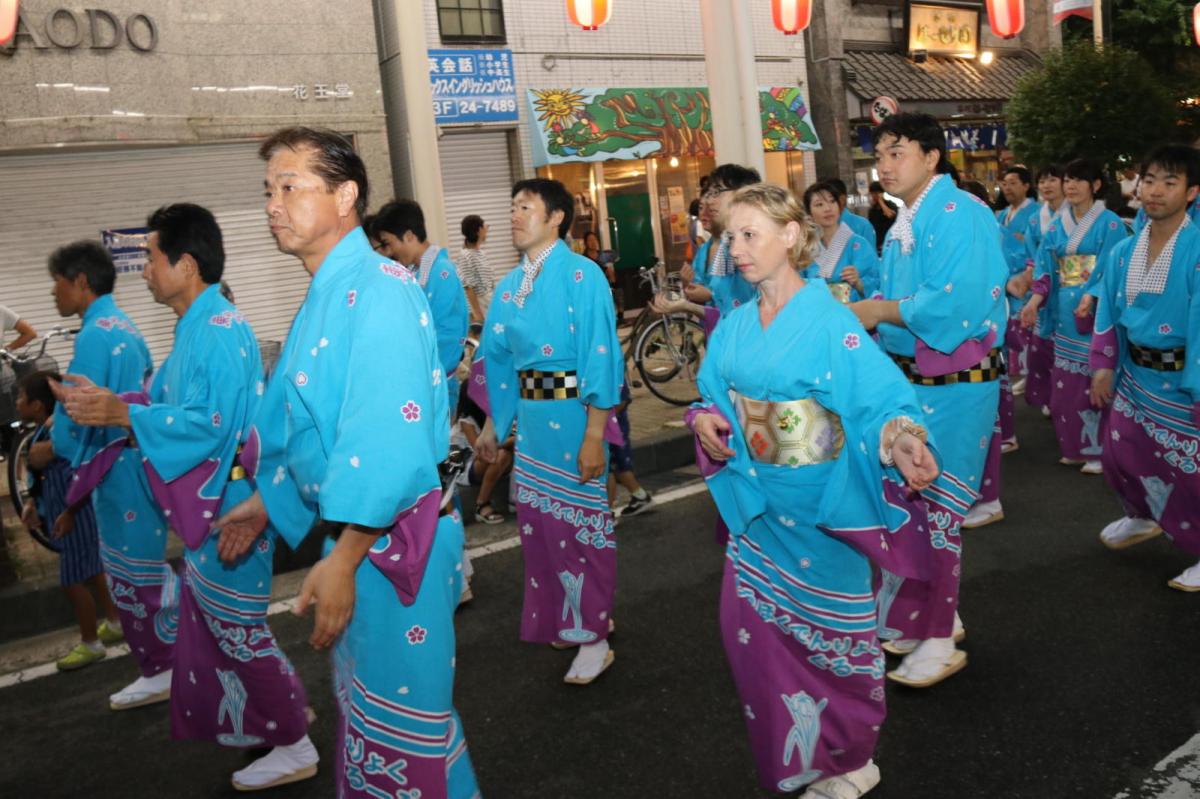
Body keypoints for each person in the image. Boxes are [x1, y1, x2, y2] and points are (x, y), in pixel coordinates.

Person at [215, 126, 479, 798]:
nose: (273, 203)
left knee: (402, 733)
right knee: (390, 729)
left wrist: (343, 555)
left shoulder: (381, 288)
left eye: (290, 186)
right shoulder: (331, 291)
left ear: (346, 196)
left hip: (387, 547)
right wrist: (268, 502)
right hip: (363, 542)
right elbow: (299, 427)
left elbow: (386, 440)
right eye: (267, 190)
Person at [687, 182, 939, 798]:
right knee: (751, 638)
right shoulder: (734, 324)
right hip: (758, 510)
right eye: (730, 237)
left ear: (791, 236)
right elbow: (710, 395)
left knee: (832, 642)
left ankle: (850, 757)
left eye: (750, 235)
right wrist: (705, 420)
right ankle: (800, 754)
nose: (737, 249)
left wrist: (901, 438)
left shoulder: (830, 320)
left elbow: (880, 400)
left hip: (823, 510)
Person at [56, 204, 317, 790]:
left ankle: (295, 740)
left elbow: (212, 424)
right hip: (219, 501)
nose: (142, 268)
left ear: (187, 264)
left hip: (234, 507)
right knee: (224, 627)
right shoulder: (198, 326)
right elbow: (175, 407)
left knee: (239, 629)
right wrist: (123, 406)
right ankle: (274, 721)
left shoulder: (219, 329)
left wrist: (124, 412)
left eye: (150, 256)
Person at [850, 112, 1007, 687]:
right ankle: (926, 619)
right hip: (915, 382)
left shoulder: (961, 213)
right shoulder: (903, 224)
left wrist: (878, 310)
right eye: (880, 154)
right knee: (911, 510)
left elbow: (955, 303)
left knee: (935, 510)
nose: (885, 165)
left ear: (932, 156)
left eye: (897, 152)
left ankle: (939, 637)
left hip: (957, 386)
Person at [474, 177, 623, 685]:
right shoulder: (509, 285)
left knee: (582, 529)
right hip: (534, 428)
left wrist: (594, 435)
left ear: (557, 216)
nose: (515, 214)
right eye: (512, 205)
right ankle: (573, 617)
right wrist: (497, 424)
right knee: (542, 531)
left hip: (574, 419)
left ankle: (595, 636)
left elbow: (601, 355)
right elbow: (496, 360)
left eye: (526, 206)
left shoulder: (584, 276)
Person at [46, 240, 177, 710]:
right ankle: (165, 661)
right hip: (130, 461)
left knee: (133, 570)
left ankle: (163, 666)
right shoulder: (121, 325)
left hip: (115, 464)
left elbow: (82, 412)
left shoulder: (95, 334)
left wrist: (53, 445)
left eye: (57, 283)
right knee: (140, 566)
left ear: (81, 282)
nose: (53, 294)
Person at [1087, 144, 1200, 591]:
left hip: (1182, 380)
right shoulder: (1121, 252)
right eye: (1148, 179)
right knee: (1120, 455)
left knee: (1190, 470)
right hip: (1136, 375)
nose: (1153, 191)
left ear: (1192, 192)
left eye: (1169, 183)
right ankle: (1142, 514)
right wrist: (1102, 367)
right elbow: (1106, 315)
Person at [1021, 158, 1129, 474]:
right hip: (1065, 312)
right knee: (1067, 383)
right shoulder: (1057, 224)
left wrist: (1092, 292)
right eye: (1067, 179)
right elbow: (1045, 266)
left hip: (1097, 311)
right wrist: (1035, 300)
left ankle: (1100, 450)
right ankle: (1075, 446)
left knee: (1096, 376)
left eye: (1079, 180)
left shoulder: (1110, 223)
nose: (1070, 186)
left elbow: (1114, 266)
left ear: (1095, 186)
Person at [16, 370, 120, 672]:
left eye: (23, 398)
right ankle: (115, 622)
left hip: (74, 514)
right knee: (94, 570)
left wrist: (70, 512)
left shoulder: (59, 433)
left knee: (72, 581)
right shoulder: (44, 432)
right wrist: (33, 503)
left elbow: (80, 474)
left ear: (37, 405)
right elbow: (40, 477)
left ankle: (91, 643)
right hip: (73, 513)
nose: (18, 402)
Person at [372, 199, 470, 408]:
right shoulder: (417, 273)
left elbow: (448, 336)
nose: (389, 252)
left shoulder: (443, 273)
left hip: (434, 385)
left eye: (389, 243)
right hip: (420, 382)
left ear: (409, 236)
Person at [1019, 165, 1068, 414]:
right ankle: (1051, 395)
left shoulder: (1078, 215)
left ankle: (1066, 397)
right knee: (1042, 349)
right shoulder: (1035, 218)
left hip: (1072, 290)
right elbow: (1031, 254)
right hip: (1042, 284)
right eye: (1043, 181)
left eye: (1053, 179)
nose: (1047, 185)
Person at [801, 181, 880, 304]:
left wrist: (858, 282)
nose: (828, 209)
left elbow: (877, 282)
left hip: (853, 314)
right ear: (809, 213)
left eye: (832, 202)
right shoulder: (805, 248)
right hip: (818, 314)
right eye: (819, 204)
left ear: (840, 206)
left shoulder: (859, 244)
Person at [454, 385, 513, 526]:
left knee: (507, 454)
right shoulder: (466, 422)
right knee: (501, 455)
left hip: (490, 462)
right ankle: (481, 505)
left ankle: (515, 500)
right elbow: (481, 452)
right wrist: (514, 440)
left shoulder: (494, 417)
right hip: (468, 467)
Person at [606, 383, 652, 518]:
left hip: (611, 426)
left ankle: (606, 514)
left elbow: (621, 400)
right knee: (616, 466)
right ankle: (640, 496)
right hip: (609, 424)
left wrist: (598, 420)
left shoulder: (610, 366)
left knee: (610, 468)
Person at [456, 214, 496, 324]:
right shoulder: (466, 255)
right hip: (481, 305)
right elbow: (468, 287)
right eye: (485, 227)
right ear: (479, 230)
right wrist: (478, 314)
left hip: (490, 303)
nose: (487, 230)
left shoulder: (481, 253)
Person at [826, 178, 877, 245]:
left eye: (831, 200)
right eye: (820, 204)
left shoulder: (862, 225)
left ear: (843, 199)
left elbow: (870, 254)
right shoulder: (820, 226)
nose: (826, 206)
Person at [867, 180, 897, 253]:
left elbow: (890, 215)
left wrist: (881, 201)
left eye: (876, 193)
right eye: (872, 194)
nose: (873, 196)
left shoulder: (890, 205)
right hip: (877, 244)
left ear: (881, 193)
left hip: (890, 242)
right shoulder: (872, 210)